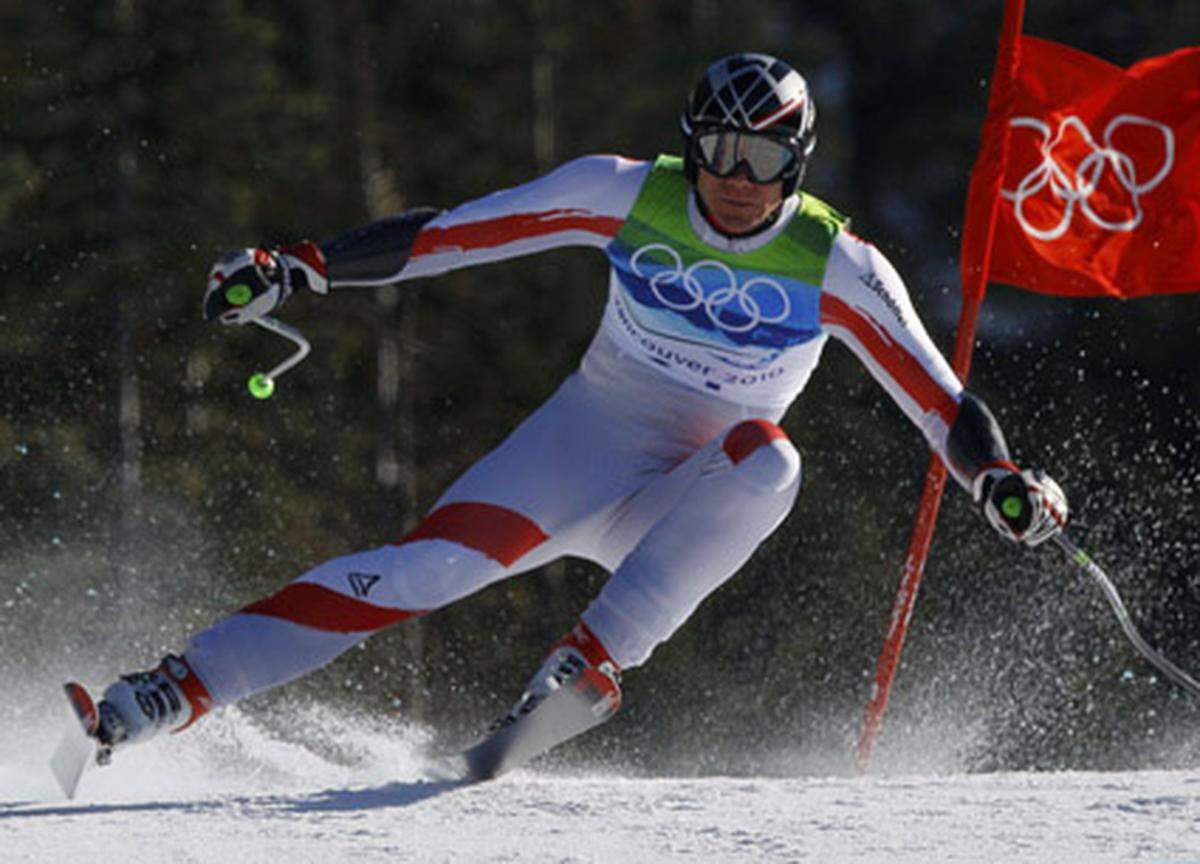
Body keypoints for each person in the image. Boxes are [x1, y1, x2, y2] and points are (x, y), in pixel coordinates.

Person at [82, 53, 1068, 767]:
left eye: (763, 161)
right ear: (688, 147)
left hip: (689, 492)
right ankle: (173, 690)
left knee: (773, 462)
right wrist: (299, 267)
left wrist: (1002, 483)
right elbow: (450, 236)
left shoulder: (839, 264)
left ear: (797, 166)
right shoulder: (620, 193)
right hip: (581, 449)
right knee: (417, 573)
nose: (735, 180)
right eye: (719, 152)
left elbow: (941, 399)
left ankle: (588, 664)